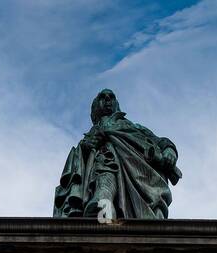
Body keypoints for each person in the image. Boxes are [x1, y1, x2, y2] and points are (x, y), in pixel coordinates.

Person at [53, 89, 182, 220]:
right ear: (96, 107)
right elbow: (82, 156)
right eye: (103, 97)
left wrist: (169, 149)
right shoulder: (93, 133)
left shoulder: (134, 128)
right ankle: (103, 198)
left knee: (108, 146)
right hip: (108, 163)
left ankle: (104, 199)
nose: (108, 99)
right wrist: (87, 147)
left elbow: (160, 141)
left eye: (111, 97)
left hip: (144, 172)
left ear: (116, 104)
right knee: (106, 150)